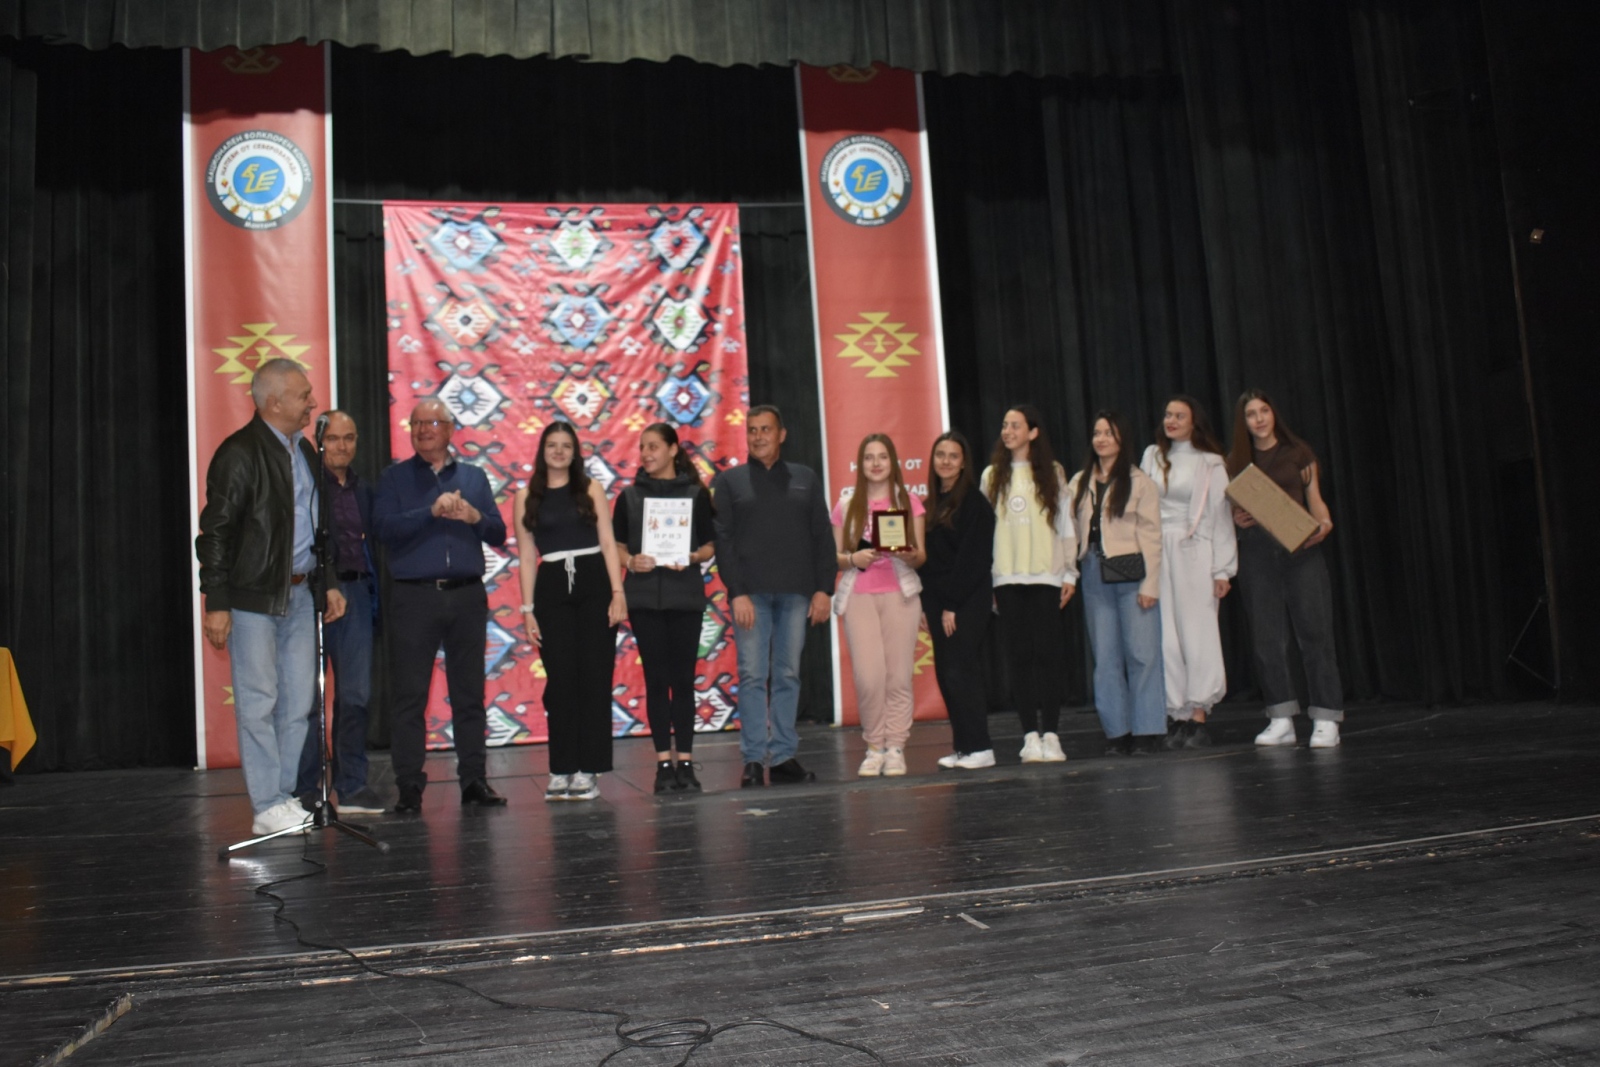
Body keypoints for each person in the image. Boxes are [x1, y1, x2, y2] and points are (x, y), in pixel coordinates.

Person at [196, 358, 346, 837]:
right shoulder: (239, 453)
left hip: (300, 595)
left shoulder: (302, 449)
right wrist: (217, 600)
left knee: (299, 702)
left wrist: (328, 581)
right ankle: (267, 803)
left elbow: (316, 525)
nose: (313, 404)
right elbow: (215, 533)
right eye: (304, 396)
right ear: (274, 401)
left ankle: (282, 798)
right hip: (253, 599)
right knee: (259, 701)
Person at [374, 399, 509, 812]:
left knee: (469, 694)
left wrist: (474, 517)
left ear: (450, 430)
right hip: (414, 597)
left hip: (467, 595)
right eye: (416, 423)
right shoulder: (394, 478)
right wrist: (430, 512)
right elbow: (383, 528)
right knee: (409, 697)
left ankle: (474, 780)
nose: (423, 429)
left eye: (432, 422)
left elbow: (499, 533)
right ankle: (409, 785)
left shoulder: (474, 477)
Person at [710, 405, 836, 787]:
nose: (758, 436)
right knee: (752, 675)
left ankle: (782, 757)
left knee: (787, 674)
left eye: (766, 429)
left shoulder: (805, 478)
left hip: (797, 594)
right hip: (751, 596)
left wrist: (824, 589)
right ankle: (752, 759)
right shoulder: (729, 482)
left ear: (781, 435)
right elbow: (723, 541)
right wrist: (737, 592)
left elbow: (822, 535)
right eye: (752, 430)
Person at [514, 422, 628, 801]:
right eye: (552, 445)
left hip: (594, 583)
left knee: (594, 677)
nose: (559, 451)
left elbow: (608, 542)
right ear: (542, 450)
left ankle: (589, 770)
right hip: (551, 589)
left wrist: (617, 592)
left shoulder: (590, 488)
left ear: (575, 451)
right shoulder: (526, 496)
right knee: (561, 681)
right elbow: (526, 557)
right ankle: (561, 768)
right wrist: (528, 610)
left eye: (566, 445)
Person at [1227, 389, 1344, 748]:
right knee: (1267, 638)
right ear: (1243, 422)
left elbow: (1316, 502)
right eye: (1251, 414)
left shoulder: (1298, 453)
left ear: (1274, 413)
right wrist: (1236, 519)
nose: (1259, 419)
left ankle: (1326, 718)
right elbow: (1229, 514)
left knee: (1315, 634)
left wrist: (1324, 524)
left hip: (1301, 552)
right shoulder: (1235, 462)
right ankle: (1280, 718)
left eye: (1264, 410)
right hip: (1258, 555)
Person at [612, 423, 715, 794]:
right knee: (656, 680)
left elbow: (710, 544)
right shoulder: (629, 497)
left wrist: (692, 556)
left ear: (673, 449)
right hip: (644, 600)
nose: (646, 454)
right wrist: (631, 561)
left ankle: (685, 761)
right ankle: (662, 764)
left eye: (654, 446)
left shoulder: (696, 494)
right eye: (643, 447)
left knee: (683, 681)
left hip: (685, 597)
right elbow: (616, 545)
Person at [293, 410, 385, 814]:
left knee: (356, 695)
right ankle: (305, 790)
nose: (342, 446)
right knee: (309, 698)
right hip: (311, 595)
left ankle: (351, 786)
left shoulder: (365, 489)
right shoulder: (308, 486)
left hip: (358, 594)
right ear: (319, 442)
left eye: (349, 438)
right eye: (333, 439)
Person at [1139, 397, 1237, 749]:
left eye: (1180, 416)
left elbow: (1220, 517)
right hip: (1157, 551)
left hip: (1194, 550)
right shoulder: (1152, 456)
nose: (1172, 420)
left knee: (1197, 633)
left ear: (1194, 422)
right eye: (1168, 414)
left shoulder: (1210, 463)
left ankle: (1198, 715)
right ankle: (1176, 714)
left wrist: (1222, 569)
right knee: (1166, 636)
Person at [1066, 411, 1165, 755]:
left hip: (1132, 571)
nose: (1101, 439)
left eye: (1109, 433)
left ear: (1122, 438)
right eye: (1097, 433)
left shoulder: (1140, 482)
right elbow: (1068, 531)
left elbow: (1152, 536)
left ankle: (1147, 731)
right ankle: (1117, 732)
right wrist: (1068, 570)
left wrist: (1151, 583)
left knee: (1142, 654)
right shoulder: (1079, 482)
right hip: (1094, 571)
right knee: (1105, 658)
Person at [981, 405, 1075, 763]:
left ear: (1033, 432)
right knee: (1019, 657)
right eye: (1004, 425)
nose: (1007, 431)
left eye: (1015, 425)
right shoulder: (992, 476)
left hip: (1047, 575)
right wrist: (988, 579)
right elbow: (984, 530)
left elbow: (1066, 525)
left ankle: (1051, 734)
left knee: (1048, 656)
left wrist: (1069, 572)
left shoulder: (1053, 472)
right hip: (1007, 576)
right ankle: (1029, 736)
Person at [832, 434, 926, 777]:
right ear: (860, 464)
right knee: (869, 678)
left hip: (900, 596)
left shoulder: (909, 502)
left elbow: (921, 556)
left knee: (898, 676)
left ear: (892, 462)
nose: (876, 463)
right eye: (869, 457)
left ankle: (896, 747)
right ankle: (874, 746)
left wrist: (908, 554)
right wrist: (852, 558)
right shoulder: (846, 505)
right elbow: (836, 557)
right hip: (859, 597)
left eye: (882, 457)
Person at [923, 432, 997, 770]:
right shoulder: (931, 503)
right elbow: (929, 562)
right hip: (938, 602)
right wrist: (929, 604)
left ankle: (981, 747)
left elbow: (974, 560)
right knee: (945, 673)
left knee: (961, 670)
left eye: (953, 456)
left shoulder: (974, 504)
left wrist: (952, 604)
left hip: (966, 600)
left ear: (964, 462)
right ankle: (964, 747)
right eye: (941, 454)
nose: (946, 461)